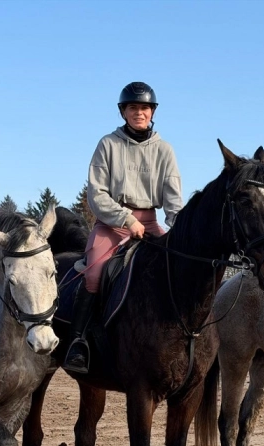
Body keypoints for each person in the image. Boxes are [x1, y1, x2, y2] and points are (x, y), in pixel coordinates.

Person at [62, 81, 183, 373]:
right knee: (94, 273)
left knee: (178, 268)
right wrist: (126, 220)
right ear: (124, 112)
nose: (138, 112)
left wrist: (179, 229)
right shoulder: (108, 144)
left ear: (152, 112)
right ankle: (79, 342)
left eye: (144, 107)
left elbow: (173, 199)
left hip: (150, 222)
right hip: (111, 224)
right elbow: (96, 194)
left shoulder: (165, 150)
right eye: (133, 107)